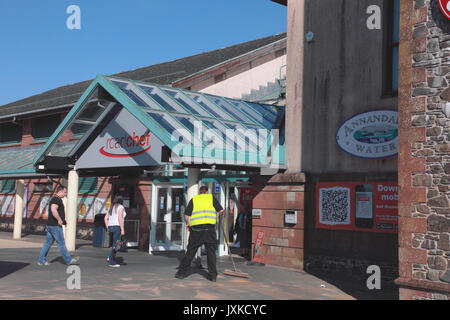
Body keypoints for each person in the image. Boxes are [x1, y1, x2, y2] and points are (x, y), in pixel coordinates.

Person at [175, 186, 224, 282]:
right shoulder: (211, 198)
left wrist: (188, 224)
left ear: (200, 192)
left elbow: (186, 215)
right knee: (211, 253)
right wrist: (220, 220)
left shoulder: (194, 199)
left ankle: (181, 273)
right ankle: (213, 276)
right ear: (207, 191)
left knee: (190, 252)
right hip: (209, 230)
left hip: (196, 231)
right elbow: (221, 211)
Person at [37, 185, 79, 266]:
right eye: (64, 192)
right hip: (55, 226)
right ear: (60, 191)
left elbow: (56, 211)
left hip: (50, 225)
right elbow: (53, 210)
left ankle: (41, 260)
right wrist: (59, 220)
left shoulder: (55, 199)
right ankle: (68, 260)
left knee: (47, 243)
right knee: (61, 243)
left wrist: (63, 220)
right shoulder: (56, 199)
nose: (65, 194)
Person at [104, 195, 126, 268]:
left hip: (110, 227)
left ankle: (110, 257)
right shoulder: (121, 207)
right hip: (117, 227)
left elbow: (105, 218)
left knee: (114, 244)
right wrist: (122, 229)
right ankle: (111, 262)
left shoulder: (111, 207)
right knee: (116, 245)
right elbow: (120, 218)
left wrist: (107, 227)